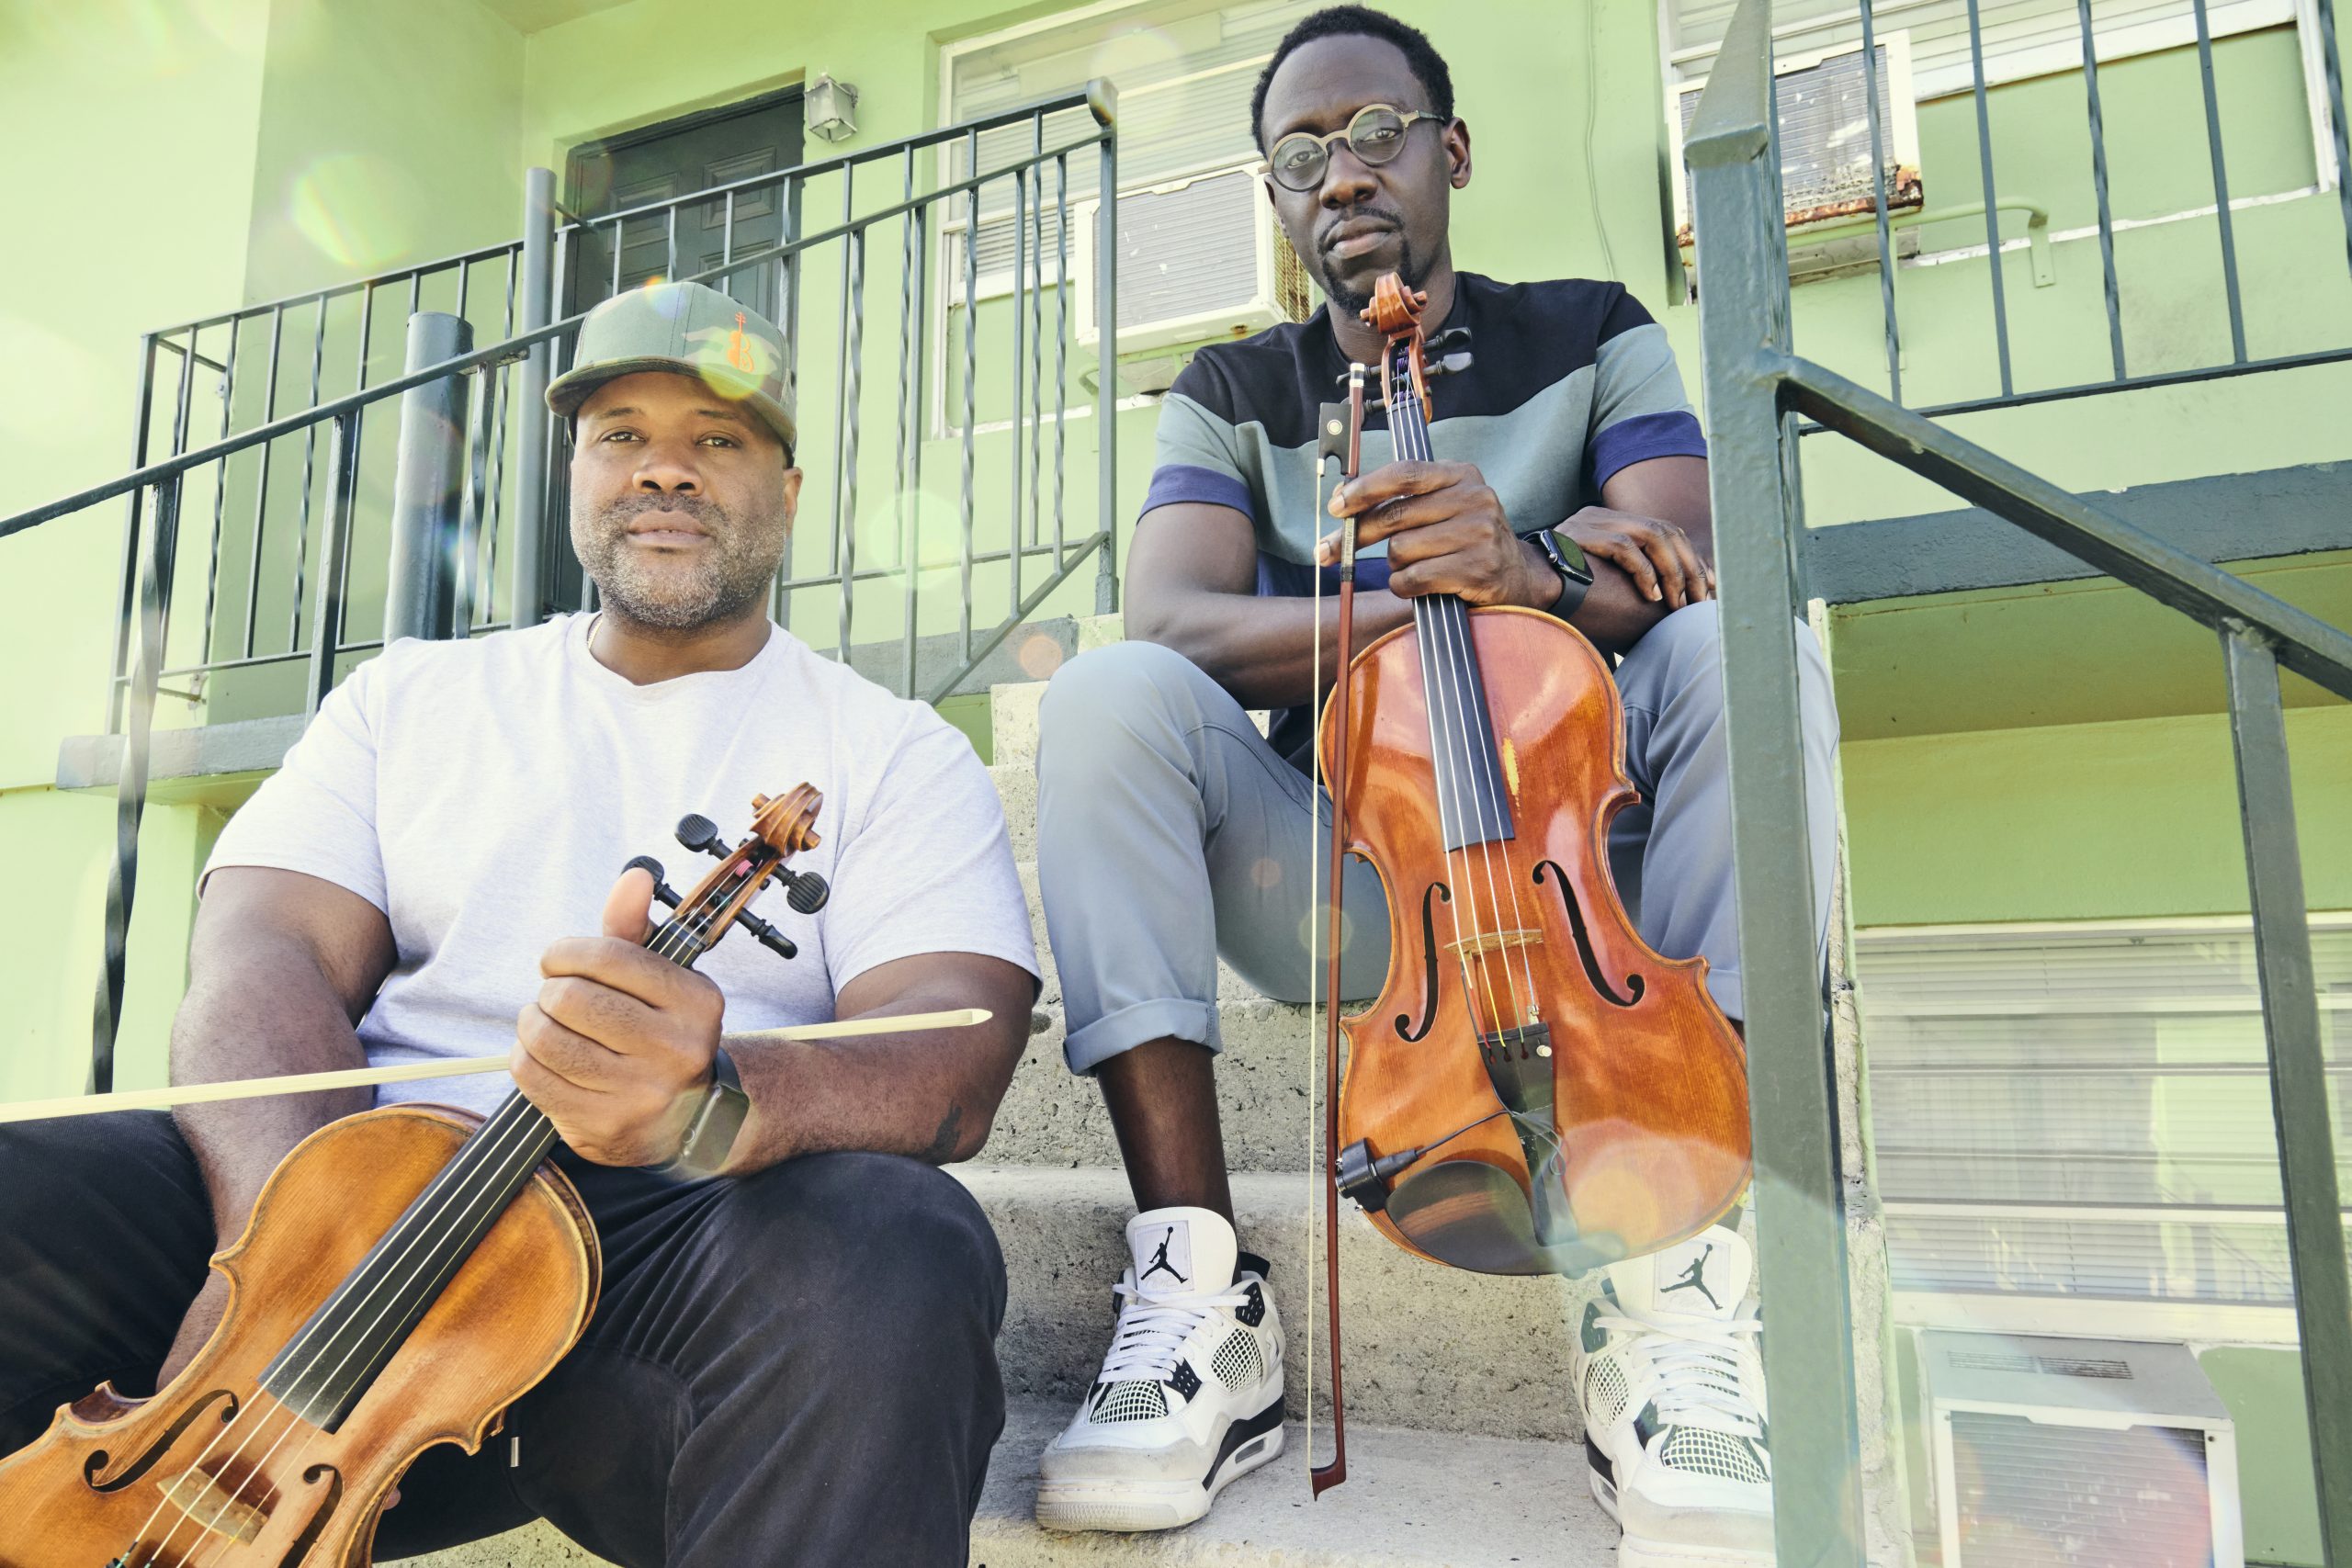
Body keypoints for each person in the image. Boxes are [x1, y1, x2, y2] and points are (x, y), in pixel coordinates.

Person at [0, 281, 1040, 1566]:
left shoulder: (892, 753)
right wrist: (272, 1264)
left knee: (899, 1256)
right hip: (338, 1190)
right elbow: (258, 953)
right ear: (574, 475)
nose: (666, 469)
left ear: (787, 486)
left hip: (664, 1245)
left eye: (717, 440)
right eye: (622, 434)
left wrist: (708, 1099)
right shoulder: (412, 698)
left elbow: (952, 1051)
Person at [1027, 8, 1838, 1563]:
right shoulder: (1232, 385)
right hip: (1350, 886)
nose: (1342, 178)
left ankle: (1679, 1262)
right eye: (1300, 157)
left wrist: (1525, 560)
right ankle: (1198, 1287)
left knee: (1741, 648)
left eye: (1377, 134)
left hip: (1583, 866)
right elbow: (1178, 618)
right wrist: (1444, 602)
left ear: (1449, 151)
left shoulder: (1592, 328)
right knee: (1111, 697)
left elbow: (1690, 560)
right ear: (1276, 197)